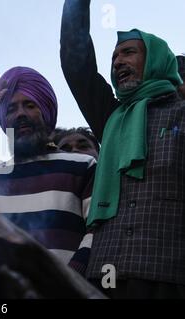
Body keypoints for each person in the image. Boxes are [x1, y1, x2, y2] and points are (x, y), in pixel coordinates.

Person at [61, 0, 185, 298]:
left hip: (169, 278)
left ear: (156, 59)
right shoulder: (110, 117)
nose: (117, 62)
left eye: (128, 52)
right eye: (114, 56)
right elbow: (77, 65)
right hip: (104, 278)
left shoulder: (181, 113)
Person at [0, 67, 96, 268]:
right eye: (11, 109)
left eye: (29, 105)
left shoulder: (82, 167)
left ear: (45, 112)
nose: (20, 114)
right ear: (4, 120)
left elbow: (97, 232)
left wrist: (70, 283)